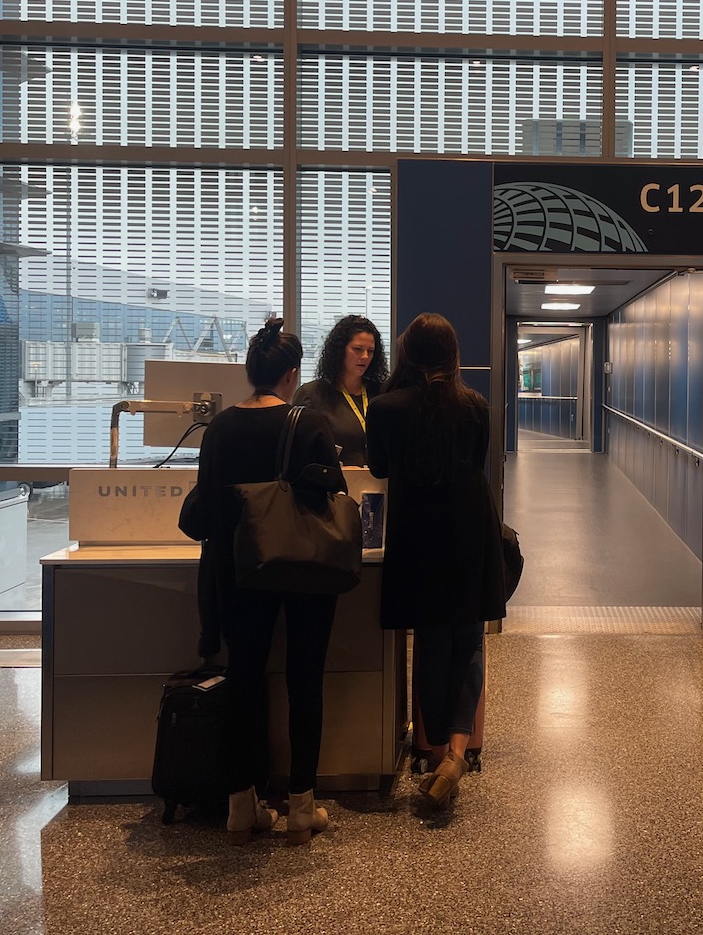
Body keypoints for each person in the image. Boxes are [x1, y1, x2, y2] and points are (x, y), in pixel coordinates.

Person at [184, 317, 346, 844]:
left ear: (252, 372)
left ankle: (240, 807)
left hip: (239, 571)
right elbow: (334, 497)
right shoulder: (312, 423)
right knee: (305, 681)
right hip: (304, 568)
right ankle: (302, 806)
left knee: (244, 681)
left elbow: (206, 509)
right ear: (291, 374)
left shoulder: (222, 428)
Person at [366, 312, 505, 816]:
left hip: (417, 534)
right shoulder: (475, 406)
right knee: (468, 639)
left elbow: (379, 466)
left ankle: (436, 749)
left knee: (430, 640)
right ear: (451, 355)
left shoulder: (385, 408)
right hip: (469, 530)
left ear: (409, 354)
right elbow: (481, 463)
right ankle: (459, 752)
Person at [292, 314, 388, 467]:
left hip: (377, 484)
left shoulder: (381, 393)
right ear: (340, 350)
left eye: (370, 351)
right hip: (332, 485)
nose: (365, 356)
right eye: (357, 349)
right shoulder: (311, 395)